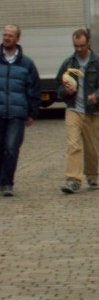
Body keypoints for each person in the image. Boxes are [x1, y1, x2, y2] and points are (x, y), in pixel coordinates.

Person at [56, 28, 99, 194]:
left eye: (81, 45)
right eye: (76, 46)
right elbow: (58, 86)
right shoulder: (68, 63)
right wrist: (65, 91)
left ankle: (92, 175)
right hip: (73, 109)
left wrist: (97, 95)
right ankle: (73, 180)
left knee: (92, 148)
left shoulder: (98, 63)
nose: (79, 49)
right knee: (73, 145)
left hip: (93, 111)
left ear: (88, 43)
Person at [0, 24, 41, 197]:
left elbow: (34, 88)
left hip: (17, 114)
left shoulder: (27, 63)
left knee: (11, 148)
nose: (6, 38)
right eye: (5, 34)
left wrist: (32, 112)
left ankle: (7, 182)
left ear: (17, 39)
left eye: (10, 35)